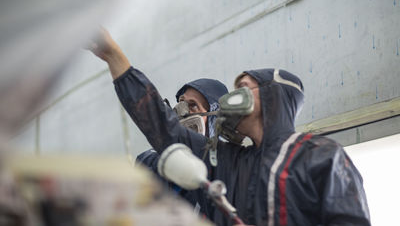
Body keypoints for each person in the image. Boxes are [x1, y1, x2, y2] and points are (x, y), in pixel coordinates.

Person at [89, 27, 371, 226]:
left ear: (274, 97)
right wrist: (115, 57)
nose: (231, 99)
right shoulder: (225, 163)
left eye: (244, 88)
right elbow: (163, 127)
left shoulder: (322, 156)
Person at [136, 77, 228, 217]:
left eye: (193, 105)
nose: (182, 112)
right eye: (181, 103)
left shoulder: (229, 171)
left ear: (215, 120)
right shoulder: (151, 161)